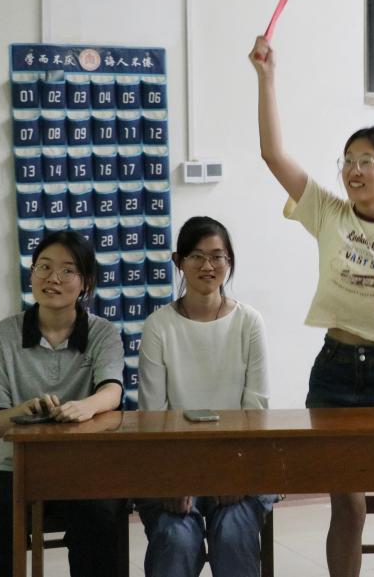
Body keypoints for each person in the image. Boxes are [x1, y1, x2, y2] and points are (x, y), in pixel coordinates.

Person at [250, 36, 374, 577]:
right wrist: (267, 78)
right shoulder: (328, 213)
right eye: (348, 161)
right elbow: (273, 155)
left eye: (367, 162)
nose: (354, 170)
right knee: (348, 508)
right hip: (335, 371)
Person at [0, 230, 125, 577]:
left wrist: (86, 406)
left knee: (100, 522)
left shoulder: (103, 333)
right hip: (15, 467)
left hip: (82, 464)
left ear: (85, 283)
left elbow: (112, 391)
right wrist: (23, 410)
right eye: (44, 267)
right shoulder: (3, 335)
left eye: (67, 270)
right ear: (32, 273)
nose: (53, 278)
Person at [137, 216, 277, 577]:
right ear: (178, 261)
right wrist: (175, 478)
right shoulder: (159, 326)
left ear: (229, 262)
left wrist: (234, 474)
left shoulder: (249, 322)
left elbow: (255, 410)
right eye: (196, 256)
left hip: (240, 462)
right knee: (176, 539)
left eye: (217, 256)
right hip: (173, 466)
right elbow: (153, 416)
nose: (207, 266)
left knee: (232, 533)